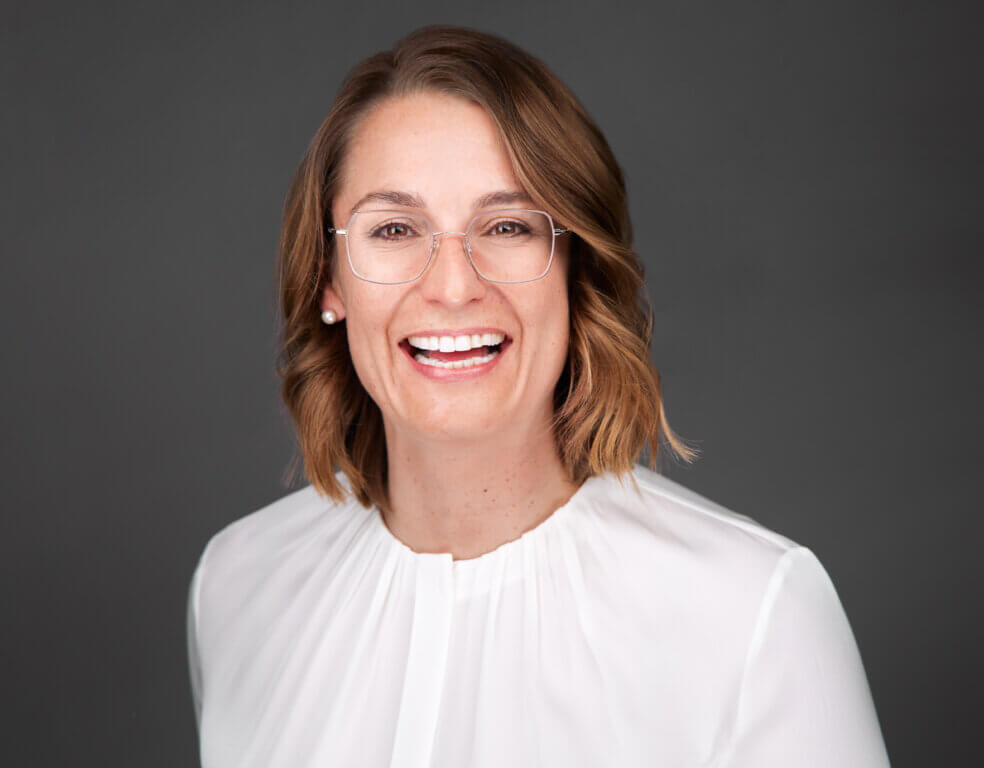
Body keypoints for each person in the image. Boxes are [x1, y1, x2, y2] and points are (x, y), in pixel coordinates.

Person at [186, 24, 890, 768]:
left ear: (575, 270)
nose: (453, 286)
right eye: (393, 228)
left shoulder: (752, 616)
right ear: (329, 280)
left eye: (507, 225)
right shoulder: (237, 589)